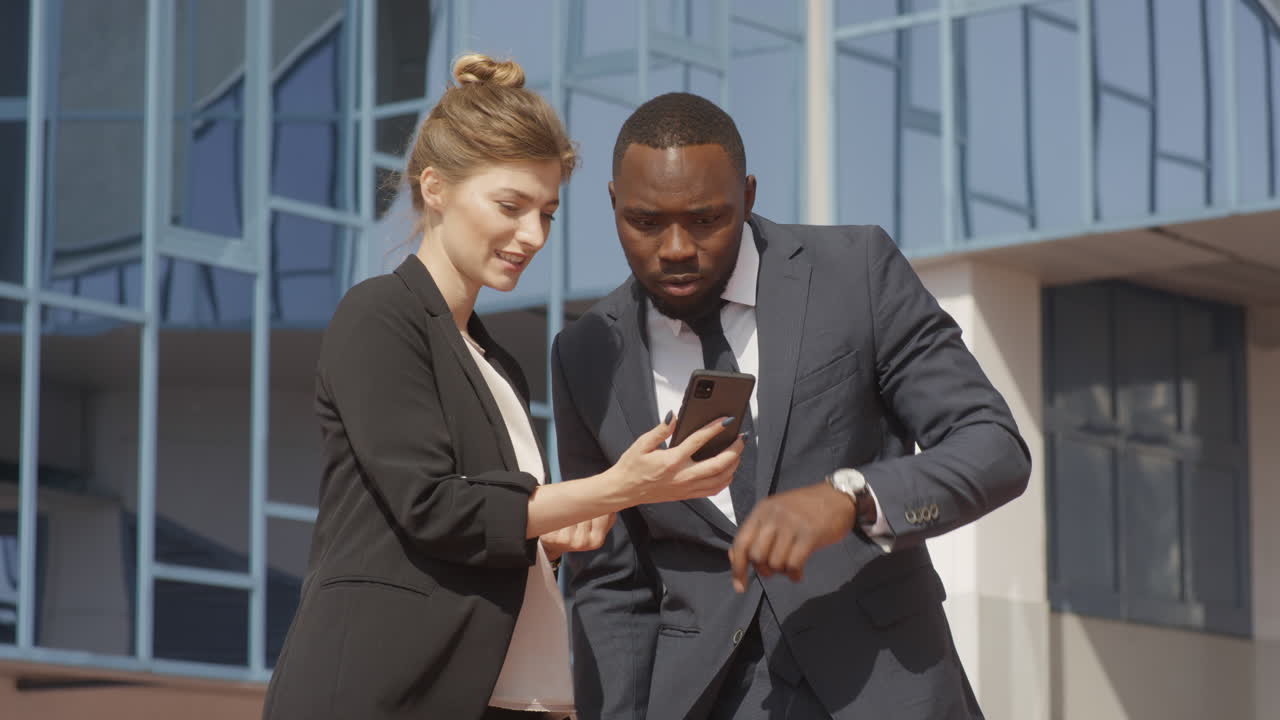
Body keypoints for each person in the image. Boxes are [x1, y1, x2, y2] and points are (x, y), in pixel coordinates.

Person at [261, 61, 743, 720]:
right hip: (386, 693)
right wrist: (620, 486)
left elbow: (473, 530)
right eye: (510, 207)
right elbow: (431, 506)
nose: (532, 236)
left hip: (509, 693)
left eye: (546, 213)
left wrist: (551, 531)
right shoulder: (378, 315)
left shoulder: (495, 360)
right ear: (434, 188)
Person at [551, 92, 1032, 719]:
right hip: (706, 699)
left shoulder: (854, 271)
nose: (674, 248)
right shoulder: (585, 353)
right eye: (645, 222)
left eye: (704, 220)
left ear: (748, 196)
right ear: (614, 204)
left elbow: (993, 445)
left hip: (884, 687)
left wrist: (851, 497)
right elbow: (611, 586)